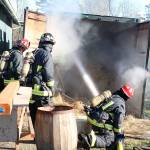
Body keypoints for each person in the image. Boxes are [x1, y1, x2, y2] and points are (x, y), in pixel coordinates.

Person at [78, 84, 134, 150]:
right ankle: (89, 139)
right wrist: (118, 133)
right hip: (99, 121)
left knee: (110, 136)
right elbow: (119, 121)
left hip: (93, 118)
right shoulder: (120, 103)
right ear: (127, 97)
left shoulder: (112, 96)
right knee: (110, 140)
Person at [29, 33, 55, 126]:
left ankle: (36, 135)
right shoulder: (47, 55)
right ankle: (43, 138)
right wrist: (52, 88)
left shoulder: (35, 52)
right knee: (46, 117)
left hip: (31, 92)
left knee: (34, 115)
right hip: (42, 93)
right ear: (51, 44)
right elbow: (48, 74)